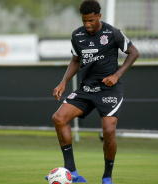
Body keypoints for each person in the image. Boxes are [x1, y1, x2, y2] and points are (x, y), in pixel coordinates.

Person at [48, 0, 139, 183]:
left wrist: (117, 74)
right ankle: (72, 173)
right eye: (84, 21)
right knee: (59, 118)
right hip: (86, 90)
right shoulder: (77, 35)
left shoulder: (112, 33)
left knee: (108, 130)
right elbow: (75, 60)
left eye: (91, 20)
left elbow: (134, 52)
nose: (88, 25)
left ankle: (107, 178)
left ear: (99, 16)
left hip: (109, 90)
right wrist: (63, 82)